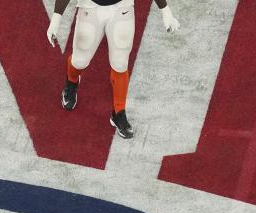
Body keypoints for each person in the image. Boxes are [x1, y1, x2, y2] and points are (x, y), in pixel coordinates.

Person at [46, 0, 180, 138]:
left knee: (120, 64)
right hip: (91, 5)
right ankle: (72, 80)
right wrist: (56, 18)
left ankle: (118, 112)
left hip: (121, 6)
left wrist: (165, 11)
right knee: (80, 61)